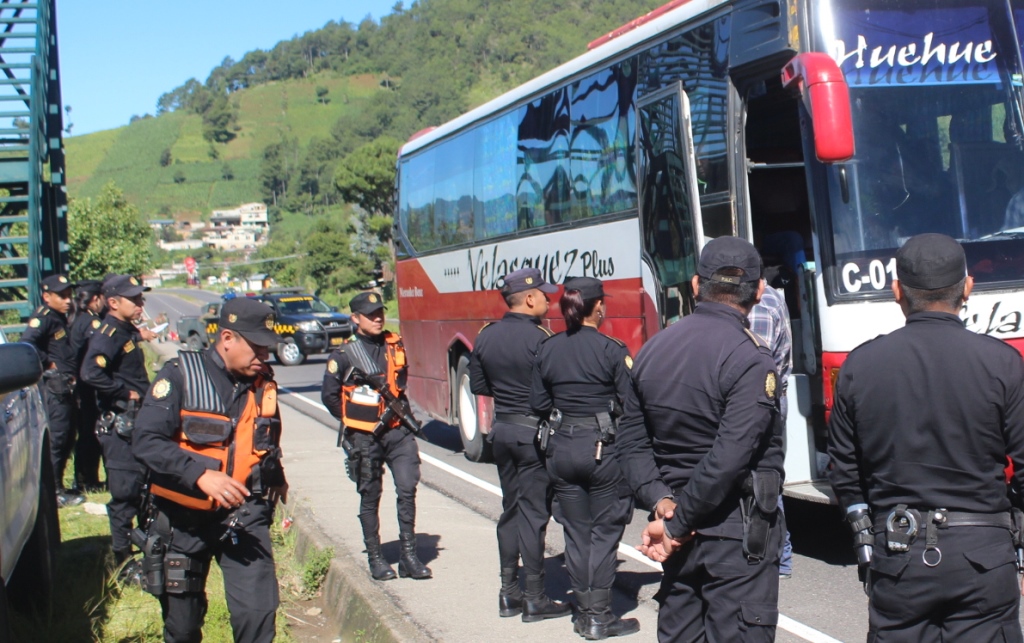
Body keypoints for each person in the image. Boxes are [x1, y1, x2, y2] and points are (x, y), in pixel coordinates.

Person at [827, 233, 1024, 642]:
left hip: (898, 556)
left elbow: (845, 470)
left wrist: (867, 530)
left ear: (896, 290)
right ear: (967, 288)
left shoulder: (860, 366)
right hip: (984, 557)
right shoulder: (1003, 363)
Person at [617, 236, 783, 642]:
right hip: (733, 534)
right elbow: (729, 457)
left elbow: (632, 445)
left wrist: (664, 505)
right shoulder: (751, 358)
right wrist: (678, 524)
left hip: (676, 525)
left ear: (695, 285)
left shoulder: (653, 349)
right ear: (759, 291)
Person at [133, 296, 288, 643]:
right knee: (183, 628)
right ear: (228, 338)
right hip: (182, 518)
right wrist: (199, 474)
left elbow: (265, 436)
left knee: (257, 618)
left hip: (244, 516)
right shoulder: (179, 376)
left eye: (268, 348)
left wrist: (276, 476)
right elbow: (145, 441)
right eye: (257, 347)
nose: (264, 355)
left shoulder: (263, 382)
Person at [530, 276, 640, 640]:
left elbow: (539, 404)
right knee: (605, 532)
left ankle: (583, 611)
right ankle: (599, 616)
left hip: (561, 448)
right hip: (601, 450)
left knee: (576, 534)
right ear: (598, 307)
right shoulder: (612, 349)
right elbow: (631, 404)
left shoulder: (549, 348)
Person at [468, 267, 571, 622]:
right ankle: (535, 597)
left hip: (502, 433)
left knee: (510, 510)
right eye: (544, 294)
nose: (548, 299)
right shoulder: (542, 339)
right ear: (529, 298)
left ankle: (508, 593)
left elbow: (479, 386)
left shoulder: (486, 336)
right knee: (533, 515)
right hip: (532, 436)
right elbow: (555, 391)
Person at [321, 292, 432, 581]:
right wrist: (356, 420)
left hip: (396, 432)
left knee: (407, 488)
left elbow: (401, 384)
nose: (378, 318)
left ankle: (409, 556)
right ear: (355, 319)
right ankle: (376, 558)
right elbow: (330, 397)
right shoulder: (344, 355)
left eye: (380, 312)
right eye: (370, 314)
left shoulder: (394, 345)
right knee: (370, 496)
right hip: (364, 437)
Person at [80, 275, 152, 580]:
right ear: (113, 303)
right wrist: (125, 393)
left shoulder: (124, 330)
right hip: (120, 426)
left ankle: (148, 554)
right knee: (124, 496)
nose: (140, 304)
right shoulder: (108, 333)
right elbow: (89, 372)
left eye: (140, 298)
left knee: (143, 492)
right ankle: (123, 564)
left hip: (136, 424)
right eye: (133, 300)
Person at [21, 274, 85, 507]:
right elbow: (27, 343)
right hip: (54, 387)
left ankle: (59, 485)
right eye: (62, 296)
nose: (68, 301)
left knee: (67, 437)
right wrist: (48, 362)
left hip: (66, 387)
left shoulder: (59, 317)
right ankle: (54, 491)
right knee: (57, 439)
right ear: (47, 297)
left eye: (70, 296)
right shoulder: (44, 318)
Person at [748, 282, 794, 579]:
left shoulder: (757, 308)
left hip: (757, 404)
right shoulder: (775, 298)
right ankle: (781, 555)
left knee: (761, 478)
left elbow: (753, 369)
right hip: (776, 400)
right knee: (771, 475)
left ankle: (772, 554)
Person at [70, 279, 105, 491]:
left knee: (86, 434)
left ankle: (85, 479)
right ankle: (87, 481)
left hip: (82, 385)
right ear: (94, 300)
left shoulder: (78, 318)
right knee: (90, 435)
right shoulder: (91, 322)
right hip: (88, 387)